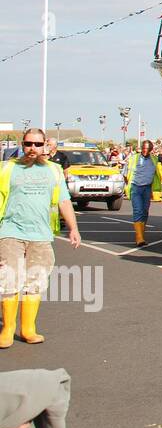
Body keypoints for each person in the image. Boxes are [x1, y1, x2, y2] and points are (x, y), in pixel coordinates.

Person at [0, 128, 82, 347]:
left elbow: (64, 201)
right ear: (22, 144)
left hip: (41, 235)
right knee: (9, 281)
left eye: (37, 144)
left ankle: (28, 329)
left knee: (35, 282)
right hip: (10, 232)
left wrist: (73, 228)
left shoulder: (54, 171)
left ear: (45, 145)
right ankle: (7, 329)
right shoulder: (8, 168)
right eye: (28, 144)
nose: (32, 149)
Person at [122, 140, 162, 247]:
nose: (146, 151)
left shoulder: (154, 159)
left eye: (148, 149)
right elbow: (125, 174)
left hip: (147, 188)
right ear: (141, 148)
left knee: (145, 211)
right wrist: (128, 185)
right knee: (138, 210)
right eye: (144, 148)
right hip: (136, 187)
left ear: (151, 150)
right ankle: (139, 237)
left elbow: (158, 173)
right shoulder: (133, 159)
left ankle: (142, 233)